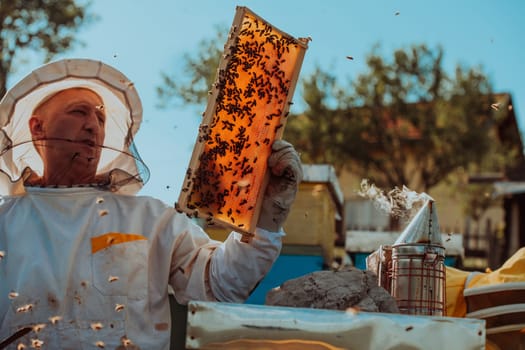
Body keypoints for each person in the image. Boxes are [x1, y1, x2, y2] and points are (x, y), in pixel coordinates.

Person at [0, 59, 302, 349]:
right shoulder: (5, 222)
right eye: (79, 112)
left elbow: (219, 285)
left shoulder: (149, 218)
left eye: (101, 117)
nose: (93, 125)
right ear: (37, 128)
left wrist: (267, 217)